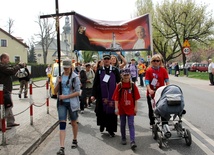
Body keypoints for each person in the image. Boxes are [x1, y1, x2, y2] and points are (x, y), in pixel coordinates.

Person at [54, 59, 81, 155]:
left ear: (70, 67)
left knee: (73, 122)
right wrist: (59, 82)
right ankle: (62, 147)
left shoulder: (75, 77)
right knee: (62, 123)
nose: (65, 69)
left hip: (72, 103)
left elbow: (78, 92)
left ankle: (74, 139)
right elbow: (55, 91)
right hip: (61, 103)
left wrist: (66, 96)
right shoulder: (60, 76)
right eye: (64, 67)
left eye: (67, 68)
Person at [91, 53, 121, 137]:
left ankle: (110, 129)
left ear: (110, 61)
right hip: (101, 95)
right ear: (103, 60)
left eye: (108, 59)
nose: (107, 60)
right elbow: (95, 83)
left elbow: (119, 82)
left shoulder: (115, 70)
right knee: (101, 111)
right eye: (105, 59)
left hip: (112, 95)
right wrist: (93, 95)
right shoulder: (100, 70)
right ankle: (102, 125)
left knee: (111, 113)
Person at [112, 68, 140, 150]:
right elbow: (116, 98)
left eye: (127, 75)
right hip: (122, 108)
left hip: (130, 108)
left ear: (130, 75)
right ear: (121, 75)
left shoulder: (132, 85)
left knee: (131, 124)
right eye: (124, 75)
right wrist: (116, 108)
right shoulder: (119, 86)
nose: (126, 77)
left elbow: (136, 98)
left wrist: (136, 107)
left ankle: (132, 141)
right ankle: (123, 137)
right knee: (123, 124)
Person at [145, 54, 169, 128]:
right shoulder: (149, 70)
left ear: (160, 62)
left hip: (161, 92)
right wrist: (149, 89)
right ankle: (152, 123)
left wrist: (167, 87)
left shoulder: (163, 70)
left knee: (163, 107)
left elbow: (167, 80)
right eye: (154, 61)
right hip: (152, 92)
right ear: (152, 62)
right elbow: (147, 81)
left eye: (157, 61)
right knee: (151, 109)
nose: (156, 62)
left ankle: (165, 123)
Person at [0, 53, 22, 130]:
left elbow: (11, 69)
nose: (8, 60)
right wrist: (19, 66)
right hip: (3, 91)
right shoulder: (1, 67)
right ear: (3, 59)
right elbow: (11, 71)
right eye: (7, 59)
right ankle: (1, 125)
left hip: (6, 90)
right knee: (6, 106)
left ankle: (10, 122)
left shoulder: (4, 67)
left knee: (9, 106)